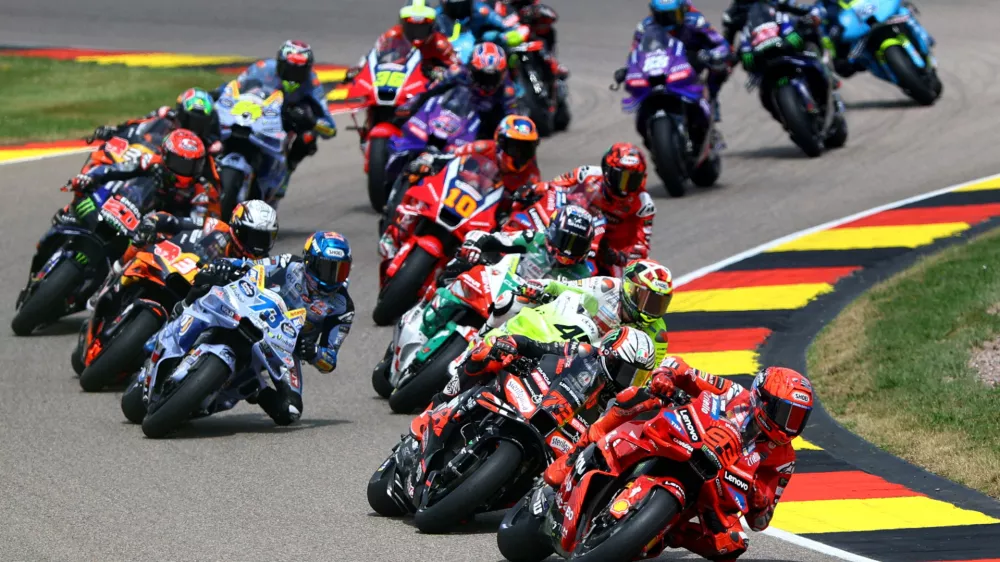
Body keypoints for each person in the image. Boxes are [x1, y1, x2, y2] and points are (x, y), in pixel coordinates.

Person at [543, 356, 815, 561]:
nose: (790, 426)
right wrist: (665, 376)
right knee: (639, 398)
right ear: (763, 400)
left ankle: (661, 527)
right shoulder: (734, 394)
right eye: (786, 414)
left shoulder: (784, 459)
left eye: (799, 419)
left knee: (731, 545)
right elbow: (679, 366)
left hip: (712, 490)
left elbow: (761, 521)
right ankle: (578, 452)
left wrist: (761, 500)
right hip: (680, 439)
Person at [190, 230, 355, 425]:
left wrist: (314, 352)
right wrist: (227, 265)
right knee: (208, 284)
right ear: (310, 261)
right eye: (328, 268)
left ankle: (253, 387)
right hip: (252, 310)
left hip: (286, 346)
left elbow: (330, 360)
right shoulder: (289, 263)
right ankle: (184, 317)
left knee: (290, 411)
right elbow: (253, 266)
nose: (333, 277)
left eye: (340, 270)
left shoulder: (343, 307)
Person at [412, 326, 657, 440]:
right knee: (486, 353)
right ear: (609, 357)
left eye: (638, 377)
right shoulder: (584, 351)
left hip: (563, 441)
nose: (629, 382)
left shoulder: (622, 403)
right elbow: (540, 347)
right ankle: (436, 406)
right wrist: (513, 343)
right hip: (537, 396)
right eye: (628, 372)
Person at [377, 115, 539, 263]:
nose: (520, 154)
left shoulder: (531, 175)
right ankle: (395, 230)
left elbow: (527, 204)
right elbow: (453, 156)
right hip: (458, 194)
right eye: (515, 147)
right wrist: (430, 159)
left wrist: (512, 213)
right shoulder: (482, 147)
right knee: (418, 173)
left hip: (487, 216)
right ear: (501, 142)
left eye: (526, 148)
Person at [214, 40, 337, 174]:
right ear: (280, 63)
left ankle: (288, 167)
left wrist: (311, 120)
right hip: (254, 113)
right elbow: (233, 87)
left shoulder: (312, 83)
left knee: (308, 136)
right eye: (289, 69)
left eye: (299, 72)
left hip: (285, 120)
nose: (293, 76)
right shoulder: (262, 68)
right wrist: (215, 94)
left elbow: (330, 129)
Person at [537, 143, 655, 274]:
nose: (624, 188)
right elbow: (552, 186)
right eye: (620, 179)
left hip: (606, 253)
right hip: (570, 229)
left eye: (632, 181)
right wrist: (533, 190)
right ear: (607, 171)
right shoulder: (587, 174)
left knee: (618, 284)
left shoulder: (644, 204)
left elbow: (642, 248)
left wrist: (618, 256)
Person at [616, 0, 731, 126]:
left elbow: (721, 44)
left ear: (683, 11)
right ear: (654, 14)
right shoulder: (644, 27)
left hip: (691, 61)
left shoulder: (696, 22)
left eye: (674, 15)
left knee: (721, 68)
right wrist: (628, 69)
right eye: (662, 16)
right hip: (660, 66)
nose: (668, 21)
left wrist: (711, 55)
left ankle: (712, 100)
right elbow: (635, 53)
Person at [68, 128, 221, 222]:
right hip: (127, 212)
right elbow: (119, 168)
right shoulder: (151, 161)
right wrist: (92, 176)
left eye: (191, 166)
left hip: (162, 239)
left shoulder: (203, 193)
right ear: (166, 156)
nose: (184, 170)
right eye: (179, 163)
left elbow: (200, 226)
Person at [438, 204, 598, 285]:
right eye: (565, 240)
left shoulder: (583, 277)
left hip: (526, 319)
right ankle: (428, 306)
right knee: (460, 267)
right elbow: (497, 239)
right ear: (552, 231)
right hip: (498, 289)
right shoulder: (533, 239)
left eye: (577, 245)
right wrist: (475, 244)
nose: (568, 250)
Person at [395, 41, 522, 138]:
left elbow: (512, 118)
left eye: (493, 77)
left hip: (482, 130)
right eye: (482, 76)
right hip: (451, 117)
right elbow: (430, 91)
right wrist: (411, 105)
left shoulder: (507, 89)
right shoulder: (457, 72)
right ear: (471, 69)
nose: (487, 83)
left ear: (503, 74)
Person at [346, 0, 463, 83]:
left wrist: (437, 72)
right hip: (397, 81)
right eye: (411, 27)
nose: (416, 32)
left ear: (431, 27)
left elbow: (459, 71)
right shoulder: (392, 35)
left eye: (421, 28)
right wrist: (358, 68)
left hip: (426, 88)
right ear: (403, 24)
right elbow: (372, 55)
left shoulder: (440, 44)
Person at [87, 88, 223, 156]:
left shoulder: (210, 143)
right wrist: (115, 131)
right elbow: (140, 124)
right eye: (190, 119)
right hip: (147, 158)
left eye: (199, 122)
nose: (193, 125)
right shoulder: (166, 114)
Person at [436, 0, 528, 48]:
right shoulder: (437, 16)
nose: (458, 10)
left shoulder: (481, 10)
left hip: (478, 49)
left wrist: (505, 36)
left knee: (490, 36)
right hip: (448, 53)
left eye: (461, 5)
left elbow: (503, 24)